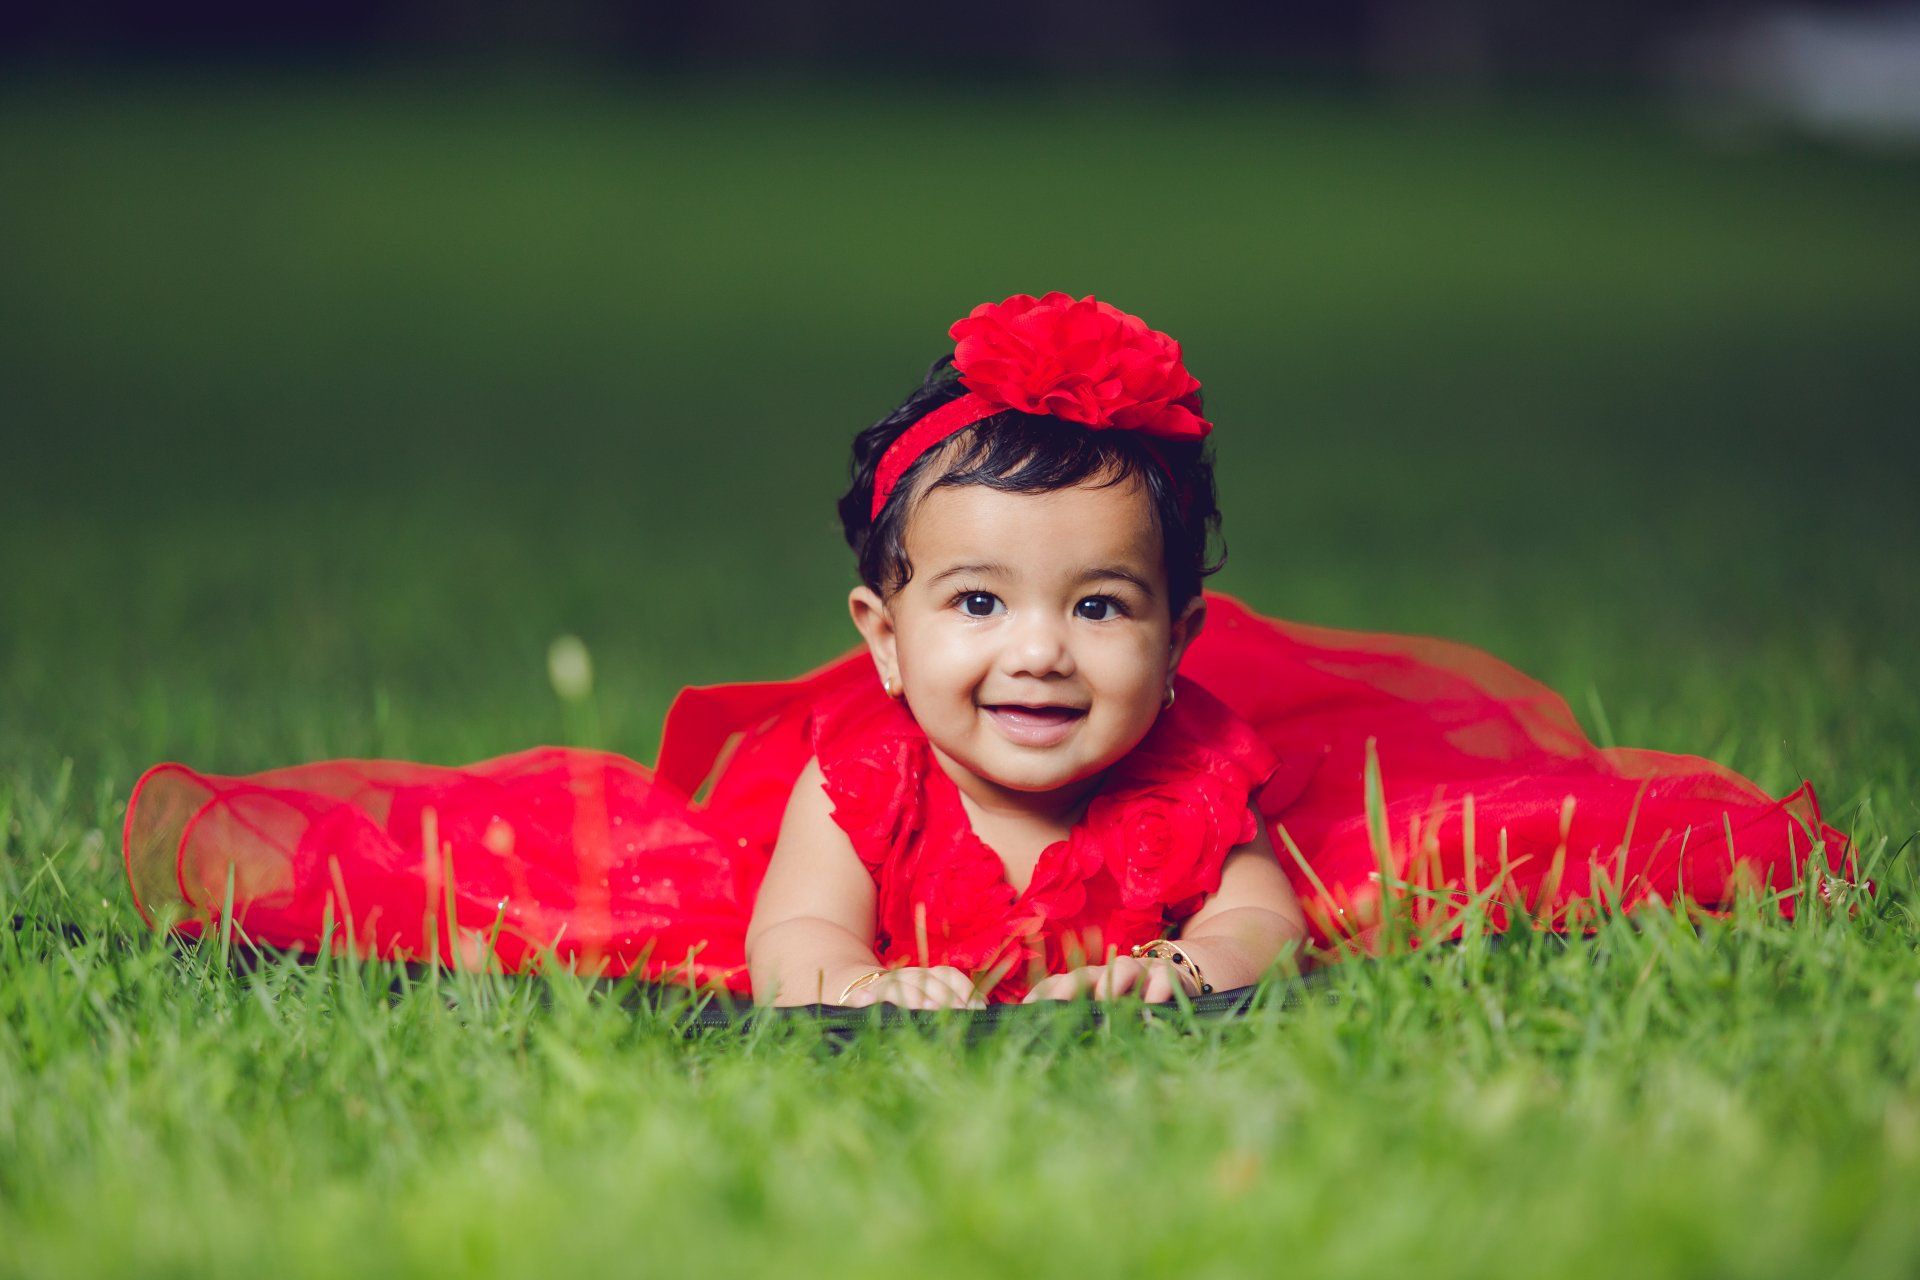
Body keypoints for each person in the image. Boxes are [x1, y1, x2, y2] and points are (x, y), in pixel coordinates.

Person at [121, 292, 1852, 1010]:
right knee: (536, 890)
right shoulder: (862, 778)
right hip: (862, 925)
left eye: (1100, 607)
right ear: (881, 639)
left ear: (1178, 634)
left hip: (1128, 945)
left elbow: (1260, 911)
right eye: (976, 606)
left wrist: (1188, 971)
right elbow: (796, 936)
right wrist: (855, 985)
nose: (1039, 655)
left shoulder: (1190, 771)